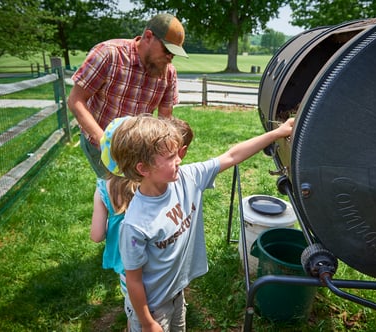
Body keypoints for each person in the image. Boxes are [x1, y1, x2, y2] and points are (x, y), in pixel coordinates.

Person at [104, 114, 294, 332]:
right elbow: (133, 281)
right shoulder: (136, 225)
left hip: (177, 294)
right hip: (153, 308)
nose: (179, 160)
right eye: (170, 156)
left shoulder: (188, 178)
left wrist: (278, 133)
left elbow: (232, 155)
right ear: (143, 169)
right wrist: (147, 323)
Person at [90, 115, 194, 330]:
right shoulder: (150, 183)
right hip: (158, 270)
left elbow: (97, 235)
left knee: (134, 304)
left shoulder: (103, 188)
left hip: (125, 266)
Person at [67, 13, 189, 179]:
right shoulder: (109, 54)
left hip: (139, 149)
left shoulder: (168, 73)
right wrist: (104, 141)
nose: (169, 58)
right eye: (167, 50)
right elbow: (75, 100)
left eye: (173, 54)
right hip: (100, 141)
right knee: (117, 195)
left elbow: (164, 118)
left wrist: (167, 152)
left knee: (138, 195)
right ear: (148, 36)